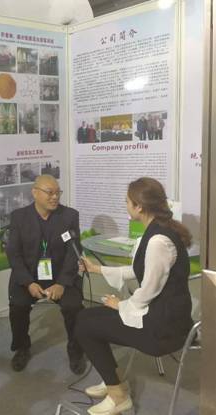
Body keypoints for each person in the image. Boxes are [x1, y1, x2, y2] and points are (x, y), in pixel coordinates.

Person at [75, 177, 193, 415]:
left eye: (127, 201)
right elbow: (142, 270)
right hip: (162, 317)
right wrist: (97, 269)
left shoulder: (158, 241)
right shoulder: (159, 231)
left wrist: (121, 305)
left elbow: (149, 289)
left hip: (163, 330)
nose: (126, 205)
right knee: (86, 318)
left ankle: (118, 395)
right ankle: (115, 381)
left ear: (139, 206)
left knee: (84, 325)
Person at [6, 174, 86, 374]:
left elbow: (74, 252)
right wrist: (28, 283)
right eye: (49, 192)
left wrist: (62, 283)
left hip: (61, 276)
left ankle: (76, 350)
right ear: (35, 193)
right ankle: (22, 347)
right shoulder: (19, 217)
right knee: (18, 306)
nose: (55, 197)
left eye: (58, 192)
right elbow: (13, 254)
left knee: (73, 306)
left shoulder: (69, 216)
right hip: (30, 277)